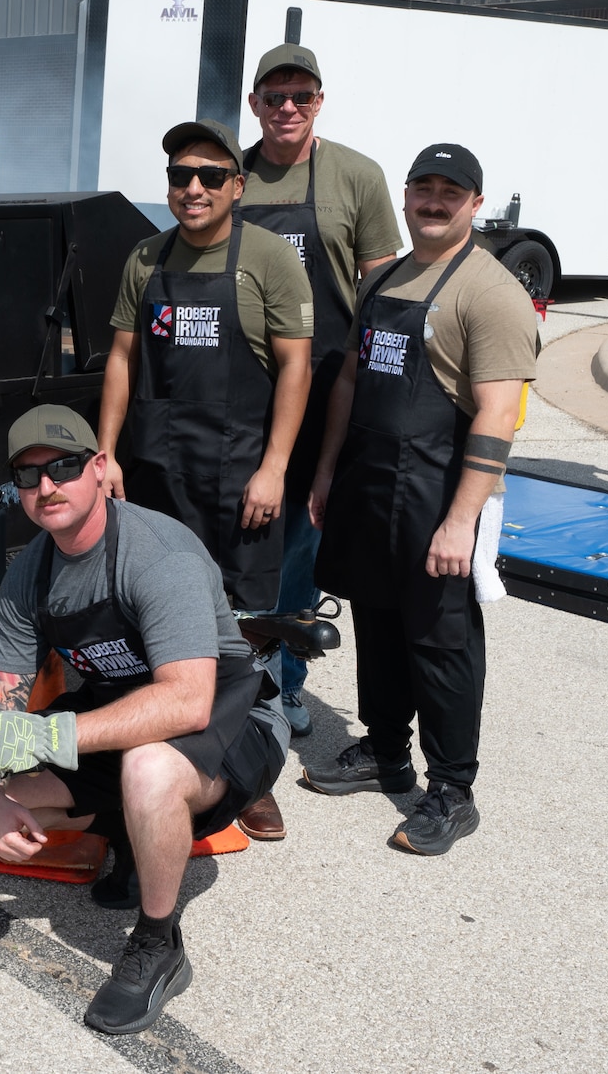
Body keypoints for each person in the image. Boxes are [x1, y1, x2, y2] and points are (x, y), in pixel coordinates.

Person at [0, 406, 289, 1036]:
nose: (47, 487)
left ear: (99, 468)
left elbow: (186, 703)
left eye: (65, 467)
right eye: (28, 475)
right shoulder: (30, 573)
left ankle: (158, 943)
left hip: (233, 719)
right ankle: (132, 836)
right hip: (115, 716)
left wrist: (50, 735)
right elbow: (0, 703)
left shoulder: (157, 552)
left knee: (149, 768)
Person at [304, 145, 537, 856]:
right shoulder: (389, 279)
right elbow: (347, 380)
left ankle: (453, 789)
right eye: (423, 188)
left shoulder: (491, 292)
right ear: (405, 196)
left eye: (451, 191)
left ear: (475, 202)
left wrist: (461, 520)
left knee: (441, 642)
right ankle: (384, 751)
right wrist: (326, 472)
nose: (434, 201)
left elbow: (499, 413)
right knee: (377, 623)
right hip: (372, 484)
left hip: (443, 492)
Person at [97, 117, 312, 840]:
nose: (193, 188)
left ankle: (253, 775)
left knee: (247, 634)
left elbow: (294, 367)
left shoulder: (271, 261)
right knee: (156, 622)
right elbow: (122, 360)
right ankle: (157, 755)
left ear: (237, 186)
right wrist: (107, 454)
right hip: (159, 479)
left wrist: (276, 469)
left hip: (242, 480)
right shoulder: (143, 259)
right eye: (181, 175)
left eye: (210, 176)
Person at [238, 43, 401, 735]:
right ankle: (235, 678)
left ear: (320, 101)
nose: (287, 108)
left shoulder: (356, 176)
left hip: (328, 384)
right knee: (239, 540)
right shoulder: (232, 175)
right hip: (243, 388)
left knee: (303, 539)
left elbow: (384, 291)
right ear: (255, 104)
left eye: (301, 96)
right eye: (274, 97)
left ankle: (287, 679)